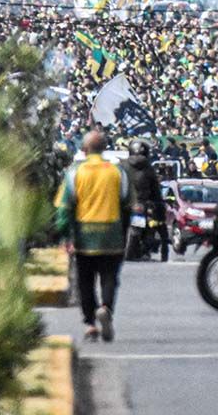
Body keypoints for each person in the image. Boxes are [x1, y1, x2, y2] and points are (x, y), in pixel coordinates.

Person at [56, 130, 134, 342]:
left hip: (84, 236)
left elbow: (64, 209)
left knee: (85, 281)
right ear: (105, 148)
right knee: (110, 278)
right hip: (112, 234)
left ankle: (90, 324)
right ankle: (106, 308)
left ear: (84, 149)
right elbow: (127, 206)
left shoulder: (74, 173)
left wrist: (66, 236)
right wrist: (123, 231)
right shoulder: (118, 172)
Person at [125, 139, 168, 262]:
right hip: (140, 203)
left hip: (125, 204)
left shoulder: (122, 166)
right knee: (152, 225)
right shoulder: (148, 169)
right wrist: (159, 204)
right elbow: (155, 190)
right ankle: (145, 248)